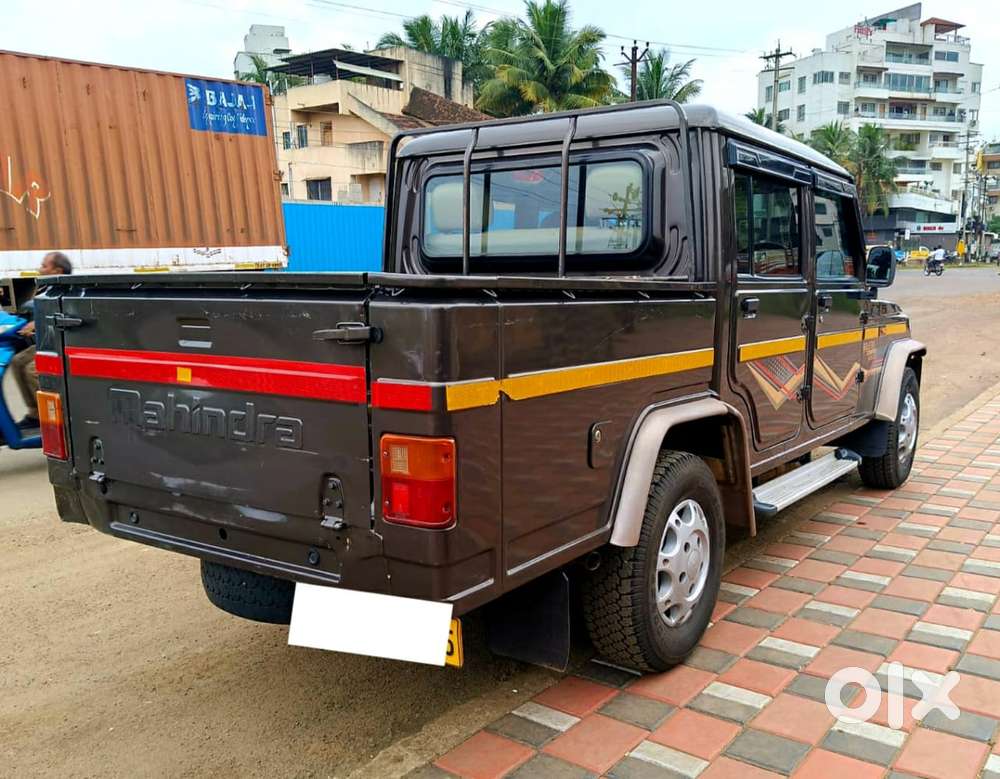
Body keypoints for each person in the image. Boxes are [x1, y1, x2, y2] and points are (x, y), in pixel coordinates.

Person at [10, 252, 72, 430]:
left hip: (60, 345)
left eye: (44, 266)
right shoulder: (45, 287)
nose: (40, 269)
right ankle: (35, 414)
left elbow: (59, 315)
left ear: (57, 270)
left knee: (32, 370)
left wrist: (36, 324)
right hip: (46, 343)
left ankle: (55, 414)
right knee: (17, 361)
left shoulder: (65, 290)